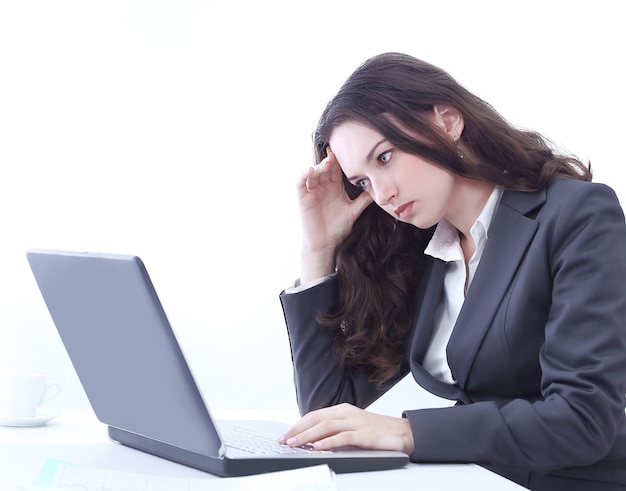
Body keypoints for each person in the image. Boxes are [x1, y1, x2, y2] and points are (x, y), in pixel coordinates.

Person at [277, 52, 626, 490]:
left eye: (384, 158)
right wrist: (318, 249)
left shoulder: (575, 215)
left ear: (447, 121)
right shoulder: (421, 252)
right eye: (362, 182)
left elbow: (583, 419)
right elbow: (328, 412)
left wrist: (407, 432)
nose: (382, 194)